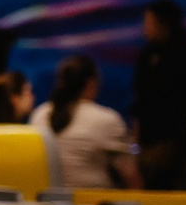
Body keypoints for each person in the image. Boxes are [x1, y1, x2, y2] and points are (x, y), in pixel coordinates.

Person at [131, 0, 186, 190]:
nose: (145, 29)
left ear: (163, 24)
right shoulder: (147, 55)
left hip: (174, 139)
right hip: (149, 139)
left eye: (149, 23)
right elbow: (140, 98)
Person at [31, 55, 139, 189]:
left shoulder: (40, 114)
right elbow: (130, 175)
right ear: (91, 84)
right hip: (93, 200)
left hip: (46, 199)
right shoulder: (105, 119)